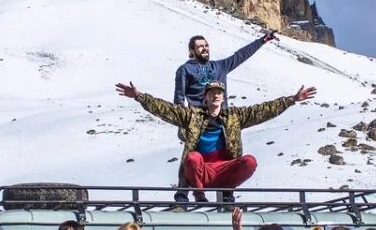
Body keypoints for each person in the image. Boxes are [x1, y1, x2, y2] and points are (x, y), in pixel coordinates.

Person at [116, 79, 316, 203]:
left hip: (224, 169)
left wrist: (291, 99)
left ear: (223, 97)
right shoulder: (193, 115)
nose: (215, 96)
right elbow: (166, 109)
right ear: (206, 97)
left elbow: (262, 111)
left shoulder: (234, 117)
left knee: (249, 162)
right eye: (212, 93)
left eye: (219, 93)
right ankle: (199, 195)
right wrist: (140, 97)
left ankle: (228, 191)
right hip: (201, 172)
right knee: (193, 158)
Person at [172, 32, 276, 202]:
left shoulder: (219, 66)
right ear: (192, 50)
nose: (204, 49)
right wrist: (182, 123)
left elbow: (240, 56)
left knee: (231, 152)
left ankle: (227, 196)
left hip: (221, 120)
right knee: (191, 158)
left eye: (206, 45)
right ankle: (186, 196)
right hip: (198, 121)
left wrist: (262, 41)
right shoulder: (185, 70)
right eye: (200, 46)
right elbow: (179, 98)